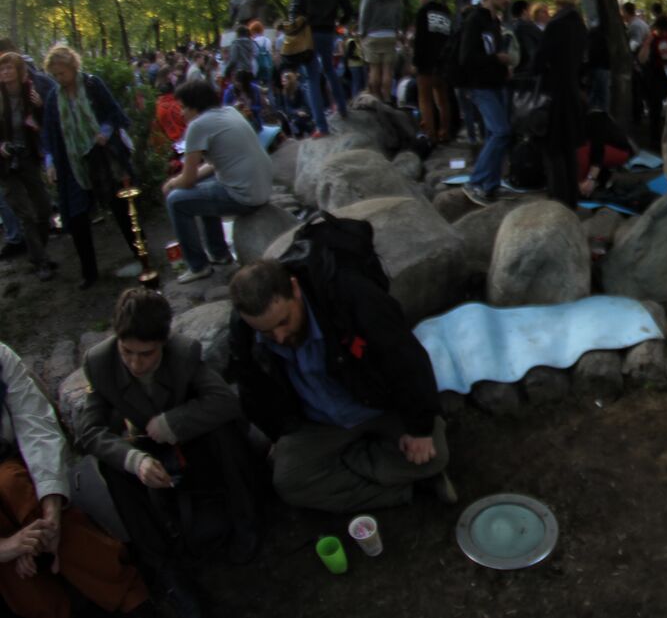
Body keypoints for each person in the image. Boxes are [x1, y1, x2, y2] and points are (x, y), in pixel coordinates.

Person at [77, 290, 260, 617]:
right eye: (127, 351)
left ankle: (246, 520)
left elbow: (225, 401)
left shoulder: (183, 353)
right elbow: (90, 431)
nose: (135, 363)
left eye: (145, 354)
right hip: (146, 448)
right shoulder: (99, 362)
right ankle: (166, 568)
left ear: (162, 341)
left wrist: (174, 421)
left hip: (191, 441)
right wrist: (134, 460)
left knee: (225, 431)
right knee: (113, 470)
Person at [227, 252, 455, 514]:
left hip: (379, 404)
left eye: (283, 321)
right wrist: (278, 432)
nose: (278, 337)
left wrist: (420, 429)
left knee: (434, 455)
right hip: (317, 422)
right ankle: (410, 489)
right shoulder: (243, 331)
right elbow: (252, 392)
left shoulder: (349, 296)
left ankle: (350, 462)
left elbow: (407, 360)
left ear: (295, 288)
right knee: (289, 483)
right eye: (266, 331)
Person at [0, 341, 154, 618]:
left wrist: (50, 517)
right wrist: (7, 548)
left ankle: (127, 594)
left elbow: (35, 426)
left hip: (11, 470)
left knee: (13, 486)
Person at [41, 46, 141, 290]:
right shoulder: (55, 98)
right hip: (72, 163)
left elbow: (114, 113)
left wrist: (105, 133)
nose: (59, 79)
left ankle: (141, 254)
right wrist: (50, 161)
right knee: (76, 218)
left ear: (73, 68)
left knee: (120, 208)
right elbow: (51, 133)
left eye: (62, 73)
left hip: (102, 158)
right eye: (55, 75)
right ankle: (89, 272)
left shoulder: (93, 86)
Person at [163, 80, 273, 285]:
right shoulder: (229, 112)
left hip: (245, 195)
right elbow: (211, 167)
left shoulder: (198, 125)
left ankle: (198, 265)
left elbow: (187, 179)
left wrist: (171, 184)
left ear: (195, 107)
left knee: (175, 200)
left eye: (184, 107)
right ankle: (219, 252)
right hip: (262, 186)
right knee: (203, 188)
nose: (181, 113)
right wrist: (181, 180)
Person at [287, 0, 353, 135]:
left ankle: (321, 126)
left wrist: (295, 29)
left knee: (311, 77)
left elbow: (294, 10)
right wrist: (339, 23)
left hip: (308, 33)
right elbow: (348, 10)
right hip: (328, 32)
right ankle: (342, 107)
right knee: (330, 69)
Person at [459, 0, 514, 205]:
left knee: (496, 134)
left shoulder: (494, 21)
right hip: (480, 86)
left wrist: (503, 67)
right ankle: (475, 181)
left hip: (496, 84)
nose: (507, 0)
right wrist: (496, 59)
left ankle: (490, 185)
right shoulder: (475, 20)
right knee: (501, 132)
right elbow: (467, 57)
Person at [0, 53, 54, 281]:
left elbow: (44, 124)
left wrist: (40, 107)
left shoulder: (30, 93)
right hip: (4, 164)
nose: (5, 73)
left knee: (43, 209)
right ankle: (41, 262)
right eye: (2, 70)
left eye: (9, 69)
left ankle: (36, 252)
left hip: (28, 158)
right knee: (26, 214)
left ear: (20, 71)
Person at [536, 0, 590, 207]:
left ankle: (559, 198)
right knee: (569, 148)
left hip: (555, 94)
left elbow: (539, 60)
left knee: (554, 148)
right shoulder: (580, 24)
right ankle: (571, 197)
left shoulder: (555, 24)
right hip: (573, 92)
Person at [411, 0, 454, 144]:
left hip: (426, 62)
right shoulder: (446, 13)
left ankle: (430, 134)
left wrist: (416, 61)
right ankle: (445, 131)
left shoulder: (423, 12)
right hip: (443, 63)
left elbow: (420, 39)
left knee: (425, 99)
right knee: (443, 100)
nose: (419, 0)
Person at [358, 0, 403, 103]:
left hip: (373, 34)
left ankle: (376, 98)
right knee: (387, 69)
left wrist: (362, 33)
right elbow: (400, 13)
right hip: (390, 34)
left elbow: (364, 14)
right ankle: (387, 97)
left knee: (374, 69)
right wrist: (396, 29)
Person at [638, 10, 667, 147]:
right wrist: (647, 43)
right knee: (655, 106)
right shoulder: (652, 38)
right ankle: (655, 139)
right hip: (656, 74)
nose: (664, 34)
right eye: (662, 31)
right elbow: (642, 58)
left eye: (666, 32)